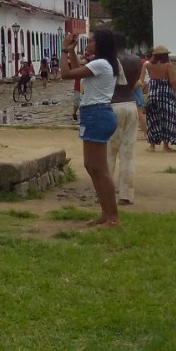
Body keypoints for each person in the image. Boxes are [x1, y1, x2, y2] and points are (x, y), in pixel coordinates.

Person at [59, 29, 121, 227]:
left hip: (97, 113)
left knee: (100, 169)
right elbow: (78, 71)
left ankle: (113, 216)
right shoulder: (101, 63)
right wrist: (72, 51)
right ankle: (105, 213)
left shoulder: (100, 64)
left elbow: (66, 74)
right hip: (94, 113)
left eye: (92, 41)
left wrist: (63, 50)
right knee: (91, 166)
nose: (88, 43)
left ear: (100, 44)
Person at [107, 35, 145, 205]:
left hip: (113, 104)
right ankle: (126, 194)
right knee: (128, 153)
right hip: (130, 103)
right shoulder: (136, 60)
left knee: (109, 153)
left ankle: (105, 192)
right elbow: (136, 82)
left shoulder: (107, 60)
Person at [144, 45, 176, 152]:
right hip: (165, 95)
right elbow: (173, 82)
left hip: (152, 95)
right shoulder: (168, 66)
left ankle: (152, 146)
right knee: (167, 119)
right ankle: (165, 146)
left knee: (153, 119)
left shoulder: (148, 65)